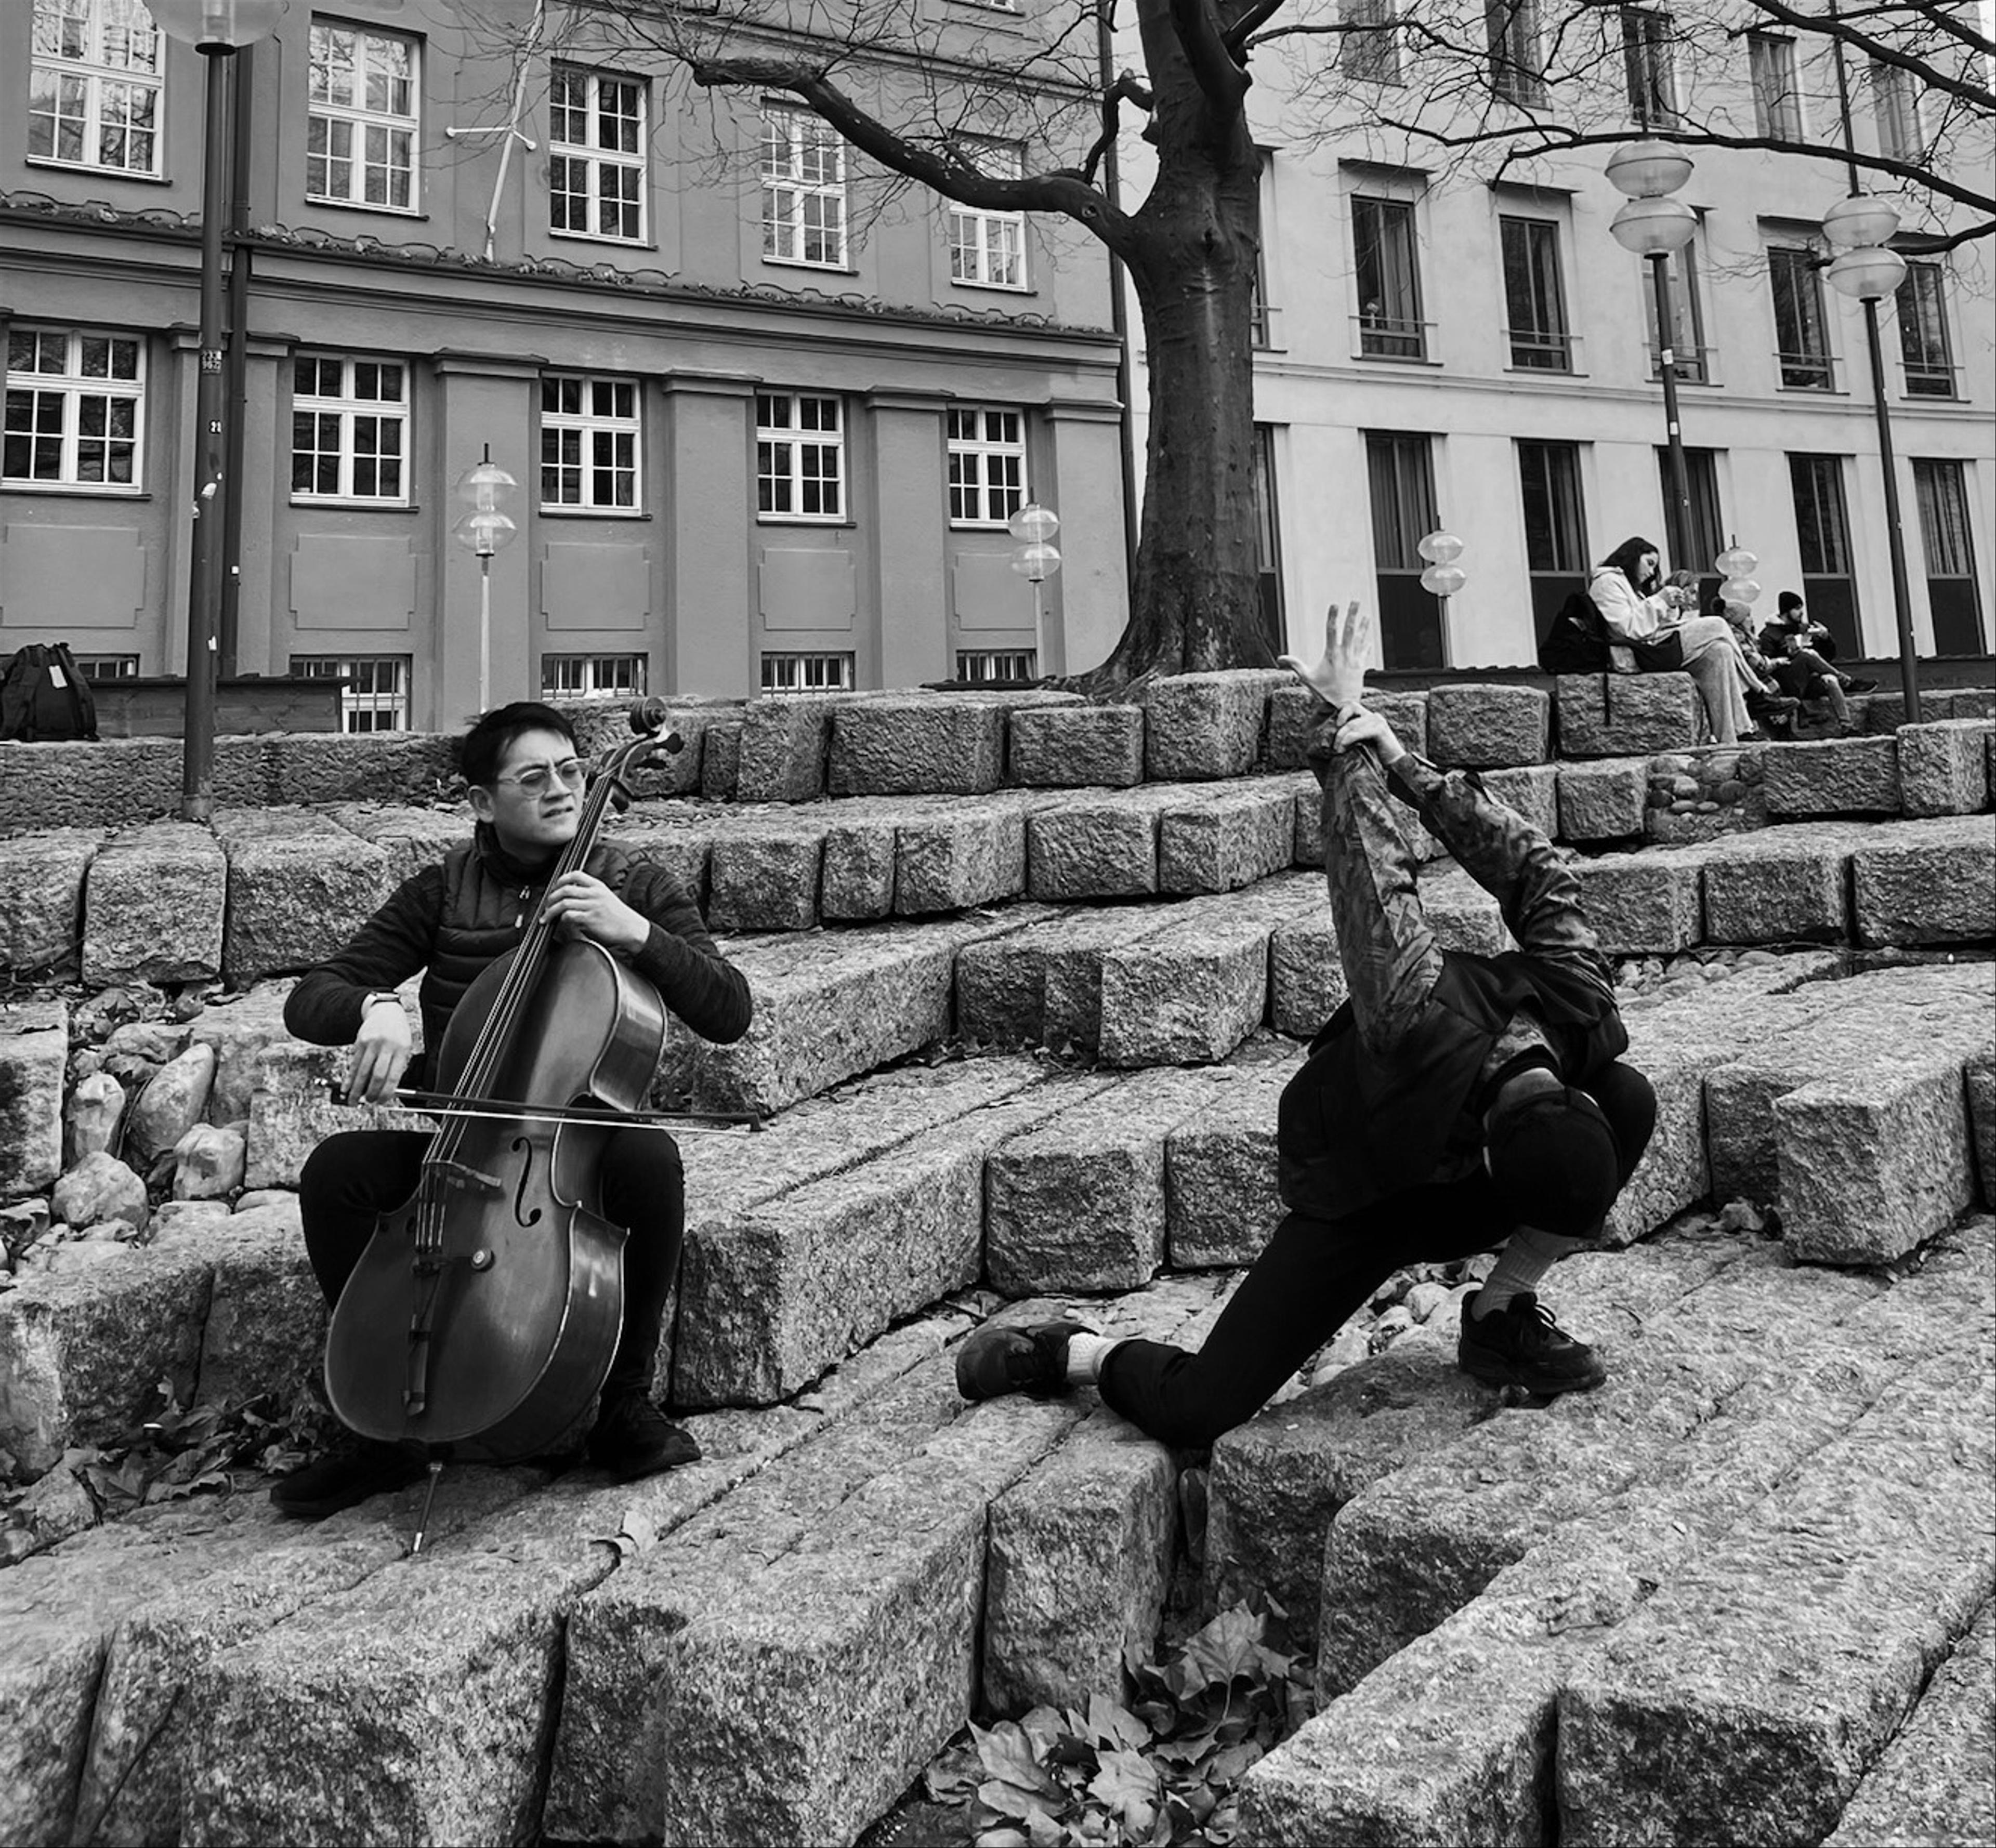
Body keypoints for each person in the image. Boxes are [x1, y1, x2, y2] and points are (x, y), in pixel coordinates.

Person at [954, 601, 1657, 1446]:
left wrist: (1405, 760)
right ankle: (1074, 1350)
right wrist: (1346, 729)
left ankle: (1500, 1312)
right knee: (1201, 1409)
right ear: (1492, 1157)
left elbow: (1533, 868)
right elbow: (1373, 870)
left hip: (1466, 1174)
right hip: (1372, 1190)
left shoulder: (1581, 998)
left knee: (1631, 1095)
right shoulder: (1412, 1012)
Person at [271, 701, 753, 1517]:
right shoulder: (441, 892)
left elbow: (729, 1011)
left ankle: (625, 1404)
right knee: (338, 1172)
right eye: (535, 778)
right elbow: (311, 997)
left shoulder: (633, 885)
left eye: (571, 771)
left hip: (577, 1156)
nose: (563, 790)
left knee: (649, 1160)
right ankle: (388, 1431)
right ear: (483, 802)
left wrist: (635, 934)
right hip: (462, 1150)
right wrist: (375, 1008)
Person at [1586, 536, 1776, 744]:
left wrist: (1670, 606)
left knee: (1720, 651)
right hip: (1639, 652)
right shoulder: (1607, 582)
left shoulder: (1629, 587)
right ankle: (1757, 691)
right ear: (1632, 557)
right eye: (1649, 564)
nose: (1651, 572)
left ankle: (1736, 734)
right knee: (1718, 625)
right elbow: (1629, 627)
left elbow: (1651, 624)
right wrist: (1660, 600)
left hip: (1652, 647)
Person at [1761, 591, 1875, 706]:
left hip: (1812, 681)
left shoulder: (1805, 629)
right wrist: (1790, 654)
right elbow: (1769, 666)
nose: (1802, 613)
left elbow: (1827, 657)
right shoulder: (1769, 635)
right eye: (1797, 609)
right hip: (1790, 684)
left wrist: (1826, 638)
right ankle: (1847, 682)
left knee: (1831, 681)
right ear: (1786, 611)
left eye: (1802, 608)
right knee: (1806, 655)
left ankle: (1846, 722)